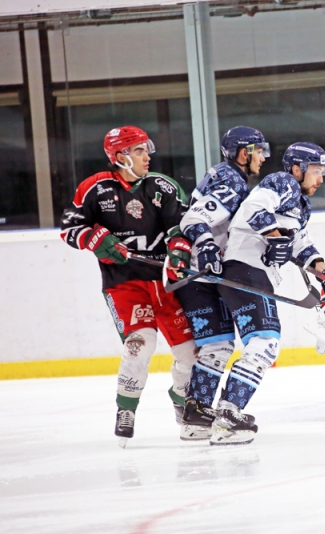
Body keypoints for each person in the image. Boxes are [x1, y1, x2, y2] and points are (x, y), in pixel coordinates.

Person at [183, 142, 325, 445]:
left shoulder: (300, 203)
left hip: (245, 272)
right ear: (298, 169)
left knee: (223, 346)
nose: (321, 179)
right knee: (265, 343)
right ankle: (228, 415)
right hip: (245, 268)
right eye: (316, 171)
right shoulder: (282, 182)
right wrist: (273, 236)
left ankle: (197, 417)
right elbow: (254, 208)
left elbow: (302, 247)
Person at [59, 126, 196, 447]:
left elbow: (181, 225)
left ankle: (182, 398)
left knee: (190, 353)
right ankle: (126, 409)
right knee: (141, 343)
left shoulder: (161, 186)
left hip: (165, 281)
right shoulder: (94, 189)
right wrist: (96, 238)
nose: (147, 156)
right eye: (138, 151)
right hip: (124, 283)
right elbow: (69, 228)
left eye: (146, 149)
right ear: (120, 157)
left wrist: (178, 250)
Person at [174, 126, 269, 441]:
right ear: (244, 153)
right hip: (200, 273)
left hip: (195, 275)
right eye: (259, 150)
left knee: (218, 345)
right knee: (225, 344)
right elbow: (192, 220)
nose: (263, 157)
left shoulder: (225, 176)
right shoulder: (231, 180)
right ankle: (213, 414)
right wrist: (206, 247)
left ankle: (196, 415)